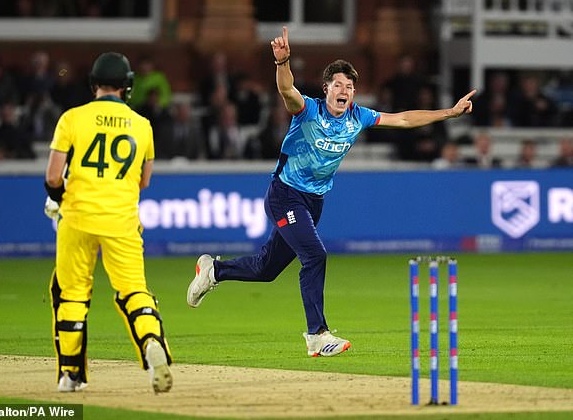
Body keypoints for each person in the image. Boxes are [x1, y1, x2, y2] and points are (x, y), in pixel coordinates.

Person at [186, 27, 476, 357]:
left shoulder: (359, 117)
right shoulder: (308, 110)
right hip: (285, 195)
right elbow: (287, 90)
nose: (344, 91)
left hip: (314, 202)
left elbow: (404, 120)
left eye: (350, 87)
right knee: (315, 256)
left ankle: (214, 271)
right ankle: (317, 335)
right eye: (338, 85)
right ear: (326, 89)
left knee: (266, 270)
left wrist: (449, 113)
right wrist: (283, 63)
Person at [43, 52, 173, 393]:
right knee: (134, 292)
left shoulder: (72, 118)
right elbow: (144, 181)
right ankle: (150, 342)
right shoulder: (142, 125)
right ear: (127, 86)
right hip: (122, 221)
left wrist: (57, 197)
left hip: (77, 217)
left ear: (93, 83)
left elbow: (54, 175)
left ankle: (71, 374)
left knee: (70, 293)